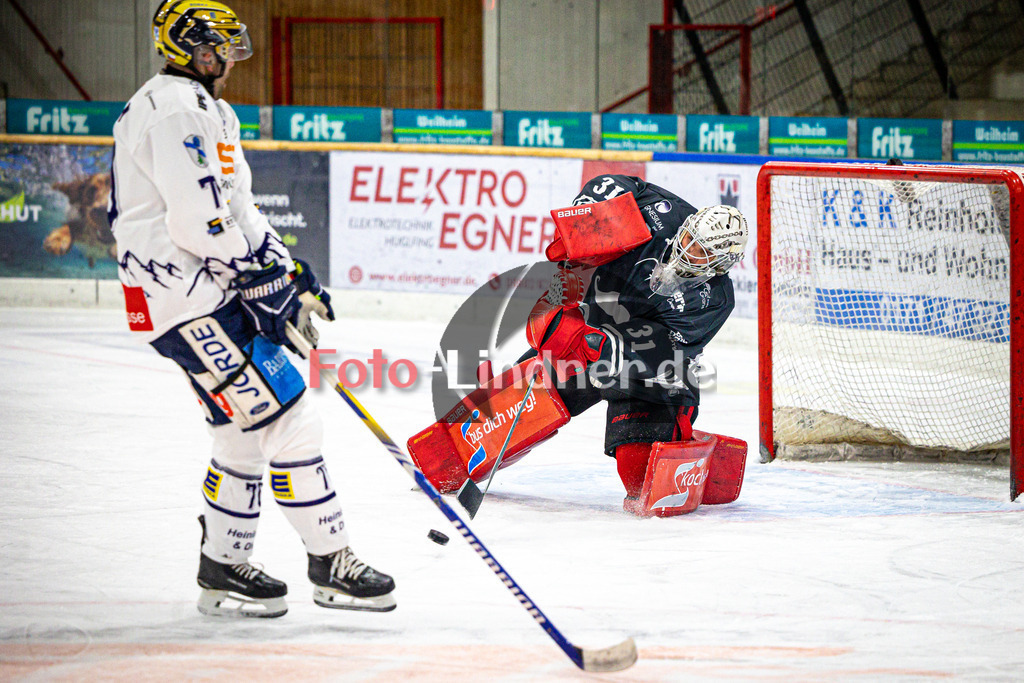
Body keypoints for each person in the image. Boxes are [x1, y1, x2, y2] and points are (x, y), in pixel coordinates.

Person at [110, 0, 395, 617]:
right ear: (185, 47)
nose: (225, 59)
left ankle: (223, 565)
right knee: (291, 418)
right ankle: (332, 561)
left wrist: (284, 268)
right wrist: (259, 282)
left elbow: (237, 207)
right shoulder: (171, 108)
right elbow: (196, 220)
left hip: (201, 295)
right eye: (214, 47)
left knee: (241, 431)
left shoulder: (212, 110)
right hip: (185, 298)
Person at [408, 175, 749, 516]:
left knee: (639, 474)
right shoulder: (661, 214)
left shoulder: (713, 301)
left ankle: (685, 445)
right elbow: (606, 185)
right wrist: (579, 240)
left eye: (701, 252)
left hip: (645, 376)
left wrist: (592, 344)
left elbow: (663, 359)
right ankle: (445, 459)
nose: (687, 250)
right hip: (588, 324)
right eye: (689, 238)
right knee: (505, 412)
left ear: (721, 266)